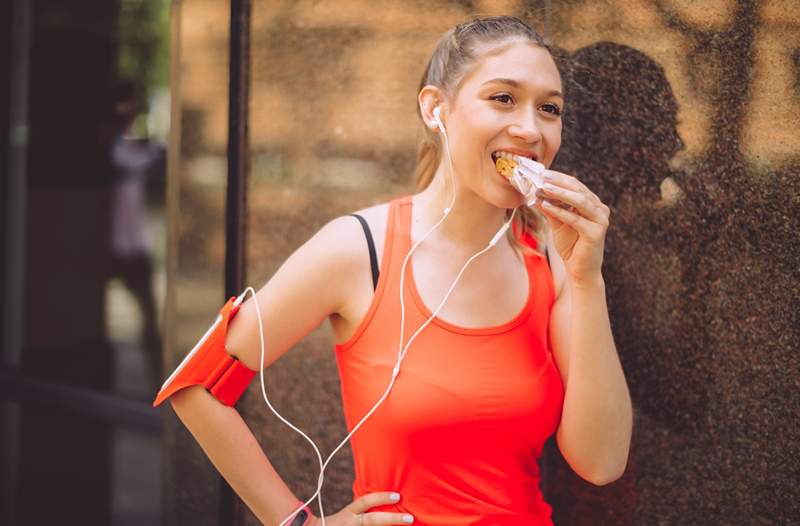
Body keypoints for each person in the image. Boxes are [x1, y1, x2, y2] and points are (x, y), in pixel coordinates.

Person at [163, 16, 632, 526]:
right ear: (436, 109)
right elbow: (197, 388)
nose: (530, 128)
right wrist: (301, 524)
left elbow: (601, 463)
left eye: (549, 109)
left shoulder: (553, 263)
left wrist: (588, 278)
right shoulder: (358, 249)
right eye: (502, 98)